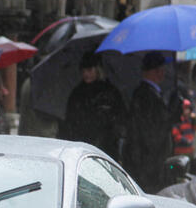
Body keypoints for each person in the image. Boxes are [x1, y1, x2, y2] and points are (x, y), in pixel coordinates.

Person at [124, 51, 181, 192]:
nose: (163, 73)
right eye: (160, 69)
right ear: (155, 71)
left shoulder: (149, 93)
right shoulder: (146, 96)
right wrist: (172, 113)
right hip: (150, 164)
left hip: (151, 162)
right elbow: (153, 130)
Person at [60, 51, 125, 158]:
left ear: (98, 70)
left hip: (106, 147)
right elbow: (70, 121)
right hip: (82, 146)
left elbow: (119, 119)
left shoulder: (110, 92)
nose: (86, 74)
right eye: (83, 71)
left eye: (89, 70)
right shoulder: (77, 93)